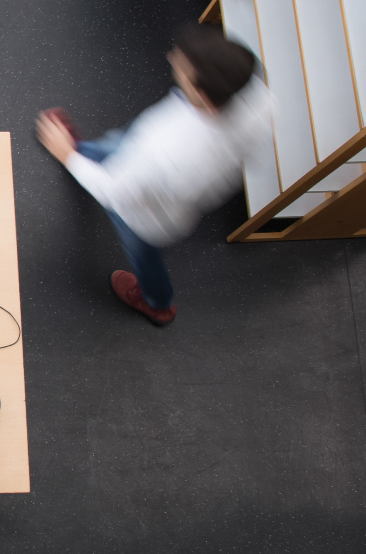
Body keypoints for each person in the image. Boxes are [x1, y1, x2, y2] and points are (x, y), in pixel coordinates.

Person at [36, 25, 273, 327]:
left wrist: (65, 155)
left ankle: (157, 304)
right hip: (159, 169)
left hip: (147, 216)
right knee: (117, 146)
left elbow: (112, 191)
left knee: (142, 254)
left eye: (183, 68)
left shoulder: (163, 152)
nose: (172, 58)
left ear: (205, 97)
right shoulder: (257, 97)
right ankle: (83, 152)